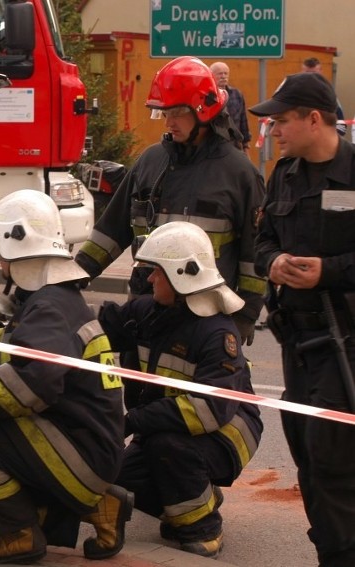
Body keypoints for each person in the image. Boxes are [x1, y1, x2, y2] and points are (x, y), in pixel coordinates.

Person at [0, 190, 128, 564]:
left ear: (14, 243)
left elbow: (37, 376)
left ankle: (14, 536)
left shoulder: (48, 307)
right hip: (88, 448)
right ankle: (97, 505)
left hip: (81, 455)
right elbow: (21, 350)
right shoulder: (55, 298)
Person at [74, 56, 266, 409]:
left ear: (204, 111)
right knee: (140, 406)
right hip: (146, 315)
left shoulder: (239, 174)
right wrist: (72, 279)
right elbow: (111, 231)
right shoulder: (150, 162)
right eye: (164, 113)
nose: (168, 121)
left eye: (176, 112)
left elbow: (256, 258)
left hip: (204, 322)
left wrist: (243, 319)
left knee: (192, 419)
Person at [99, 221, 263, 559]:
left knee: (167, 448)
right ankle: (193, 496)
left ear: (180, 276)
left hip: (228, 430)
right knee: (115, 477)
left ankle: (203, 526)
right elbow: (102, 326)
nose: (149, 279)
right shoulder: (151, 313)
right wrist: (54, 313)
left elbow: (208, 411)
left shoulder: (216, 334)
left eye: (156, 272)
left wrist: (133, 421)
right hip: (169, 426)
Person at [249, 71, 355, 567]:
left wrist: (328, 273)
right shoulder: (284, 175)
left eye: (281, 121)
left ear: (314, 119)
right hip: (297, 344)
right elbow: (263, 240)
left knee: (333, 460)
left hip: (345, 343)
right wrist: (271, 263)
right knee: (308, 462)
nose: (273, 131)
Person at [210, 61, 252, 152]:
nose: (223, 76)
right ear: (211, 75)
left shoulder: (237, 94)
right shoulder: (207, 95)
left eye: (226, 73)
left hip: (235, 146)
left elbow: (243, 120)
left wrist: (246, 145)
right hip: (213, 146)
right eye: (220, 74)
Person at [302, 57, 347, 136]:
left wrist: (331, 139)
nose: (311, 77)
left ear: (321, 72)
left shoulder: (329, 94)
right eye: (307, 74)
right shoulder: (293, 94)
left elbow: (341, 125)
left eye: (315, 73)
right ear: (302, 73)